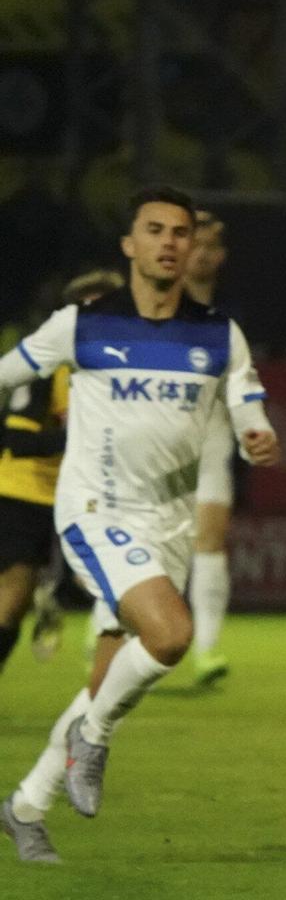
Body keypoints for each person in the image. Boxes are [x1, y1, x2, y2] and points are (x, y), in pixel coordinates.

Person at [0, 187, 281, 865]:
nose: (168, 241)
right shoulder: (83, 324)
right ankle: (91, 739)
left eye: (180, 232)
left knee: (115, 673)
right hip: (96, 510)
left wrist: (258, 435)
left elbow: (248, 406)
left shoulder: (218, 333)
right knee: (171, 633)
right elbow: (7, 372)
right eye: (154, 229)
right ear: (129, 244)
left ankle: (26, 804)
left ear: (190, 249)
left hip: (169, 524)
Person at [0, 271, 124, 692]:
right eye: (89, 310)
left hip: (82, 496)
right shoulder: (47, 365)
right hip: (21, 492)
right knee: (11, 602)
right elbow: (15, 438)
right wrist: (78, 434)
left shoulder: (126, 372)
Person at [182, 210, 240, 686]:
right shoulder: (152, 307)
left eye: (209, 247)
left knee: (209, 540)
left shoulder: (226, 319)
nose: (200, 254)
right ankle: (107, 627)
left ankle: (206, 649)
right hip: (156, 438)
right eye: (192, 244)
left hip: (212, 438)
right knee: (145, 539)